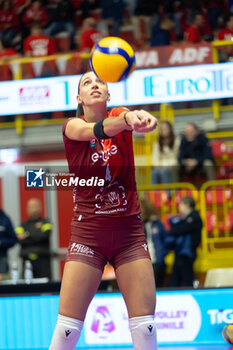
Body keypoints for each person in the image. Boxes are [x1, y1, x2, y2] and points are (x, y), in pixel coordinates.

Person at [49, 71, 158, 350]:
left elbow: (130, 117)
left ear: (108, 94)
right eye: (87, 83)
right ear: (79, 97)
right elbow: (95, 130)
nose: (94, 85)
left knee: (146, 328)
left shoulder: (121, 113)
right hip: (88, 235)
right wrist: (125, 121)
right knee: (66, 333)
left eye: (100, 82)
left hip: (129, 235)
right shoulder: (72, 126)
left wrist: (141, 119)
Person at [166, 196, 203, 287]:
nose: (179, 207)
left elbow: (181, 229)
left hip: (187, 253)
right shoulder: (185, 218)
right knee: (175, 279)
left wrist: (172, 231)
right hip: (180, 252)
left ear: (187, 205)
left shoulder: (194, 217)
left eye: (181, 205)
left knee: (187, 279)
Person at [15, 198, 52, 279]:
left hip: (43, 260)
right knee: (27, 287)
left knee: (45, 286)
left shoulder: (46, 222)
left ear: (40, 207)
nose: (32, 209)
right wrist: (35, 235)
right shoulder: (22, 224)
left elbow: (44, 236)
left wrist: (27, 235)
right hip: (26, 260)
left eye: (34, 206)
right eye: (30, 207)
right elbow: (19, 239)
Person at [140, 198, 168, 288]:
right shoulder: (136, 225)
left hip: (157, 260)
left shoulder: (157, 223)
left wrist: (162, 254)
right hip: (142, 261)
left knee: (157, 287)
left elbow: (166, 240)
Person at [151, 120, 180, 185]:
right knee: (154, 172)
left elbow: (176, 158)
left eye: (165, 129)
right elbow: (155, 157)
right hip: (160, 166)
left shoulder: (176, 141)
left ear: (170, 129)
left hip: (172, 165)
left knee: (164, 172)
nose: (163, 131)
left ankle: (167, 193)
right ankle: (154, 193)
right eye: (162, 129)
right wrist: (158, 165)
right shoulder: (157, 142)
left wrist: (165, 166)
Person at [0, 208, 18, 280]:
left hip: (1, 258)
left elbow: (13, 239)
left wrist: (1, 242)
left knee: (2, 285)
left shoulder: (5, 219)